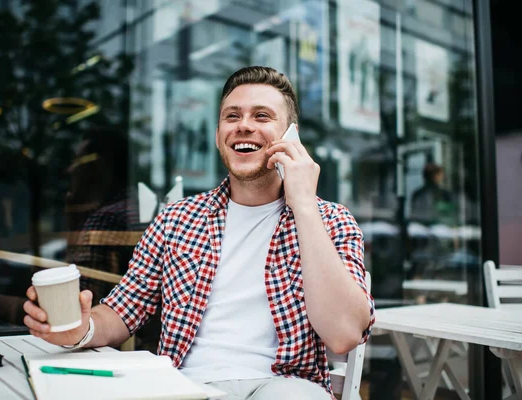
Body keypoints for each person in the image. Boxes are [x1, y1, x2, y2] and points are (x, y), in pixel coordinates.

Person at [23, 66, 375, 400]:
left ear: (290, 136)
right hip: (189, 385)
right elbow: (122, 311)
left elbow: (344, 334)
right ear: (219, 135)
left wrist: (303, 204)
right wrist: (80, 329)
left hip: (287, 387)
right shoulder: (177, 219)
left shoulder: (330, 220)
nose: (244, 126)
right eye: (232, 116)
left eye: (262, 116)